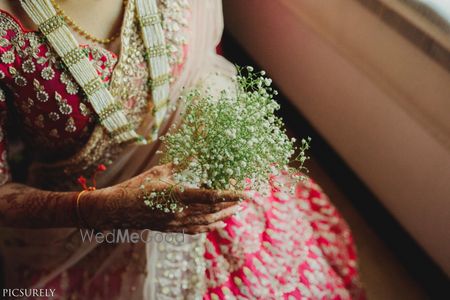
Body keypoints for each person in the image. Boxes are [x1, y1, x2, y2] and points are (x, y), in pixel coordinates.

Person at [0, 0, 364, 298]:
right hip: (84, 233)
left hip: (209, 181)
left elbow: (205, 54)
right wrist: (104, 208)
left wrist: (212, 119)